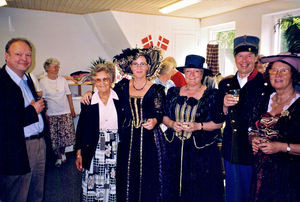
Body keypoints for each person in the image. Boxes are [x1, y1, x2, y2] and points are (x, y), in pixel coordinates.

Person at [81, 47, 166, 201]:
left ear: (149, 66)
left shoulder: (157, 89)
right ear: (130, 67)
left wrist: (154, 120)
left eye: (142, 64)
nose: (139, 67)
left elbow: (159, 112)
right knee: (124, 174)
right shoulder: (122, 86)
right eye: (135, 64)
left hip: (148, 139)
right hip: (125, 138)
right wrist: (90, 92)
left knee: (147, 175)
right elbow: (105, 90)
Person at [218, 35, 273, 202]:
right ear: (234, 58)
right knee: (233, 196)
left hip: (255, 151)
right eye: (240, 56)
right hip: (232, 148)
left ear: (256, 58)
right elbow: (217, 117)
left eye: (249, 56)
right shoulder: (225, 84)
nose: (244, 60)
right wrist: (224, 106)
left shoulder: (266, 84)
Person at [163, 54, 224, 201]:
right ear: (184, 73)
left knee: (199, 191)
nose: (192, 75)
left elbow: (219, 123)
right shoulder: (173, 92)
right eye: (188, 71)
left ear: (202, 74)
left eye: (196, 71)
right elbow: (164, 117)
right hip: (174, 150)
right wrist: (172, 124)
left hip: (201, 153)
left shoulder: (213, 95)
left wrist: (198, 126)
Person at [248, 53, 300, 201]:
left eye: (284, 70)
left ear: (293, 75)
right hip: (261, 173)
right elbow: (251, 128)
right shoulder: (265, 99)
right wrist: (253, 138)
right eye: (274, 70)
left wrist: (281, 147)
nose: (277, 74)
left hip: (290, 177)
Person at [0, 38, 47, 202]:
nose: (24, 59)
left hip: (38, 143)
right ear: (6, 56)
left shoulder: (26, 79)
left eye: (28, 55)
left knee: (36, 193)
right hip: (17, 148)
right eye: (18, 54)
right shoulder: (2, 81)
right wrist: (32, 112)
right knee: (17, 195)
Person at [75, 62, 121, 202]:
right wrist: (78, 152)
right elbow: (81, 128)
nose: (102, 83)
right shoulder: (88, 101)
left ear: (111, 79)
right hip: (94, 145)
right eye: (98, 80)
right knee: (93, 180)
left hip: (115, 146)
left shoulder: (120, 98)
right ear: (94, 81)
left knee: (113, 180)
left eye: (105, 79)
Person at [39, 58, 76, 167]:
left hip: (65, 111)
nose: (57, 68)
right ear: (47, 68)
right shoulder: (43, 81)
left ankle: (63, 153)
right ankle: (59, 157)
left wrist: (72, 109)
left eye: (57, 66)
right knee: (55, 137)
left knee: (65, 136)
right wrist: (45, 113)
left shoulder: (62, 80)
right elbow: (43, 99)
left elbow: (68, 95)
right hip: (52, 113)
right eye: (54, 66)